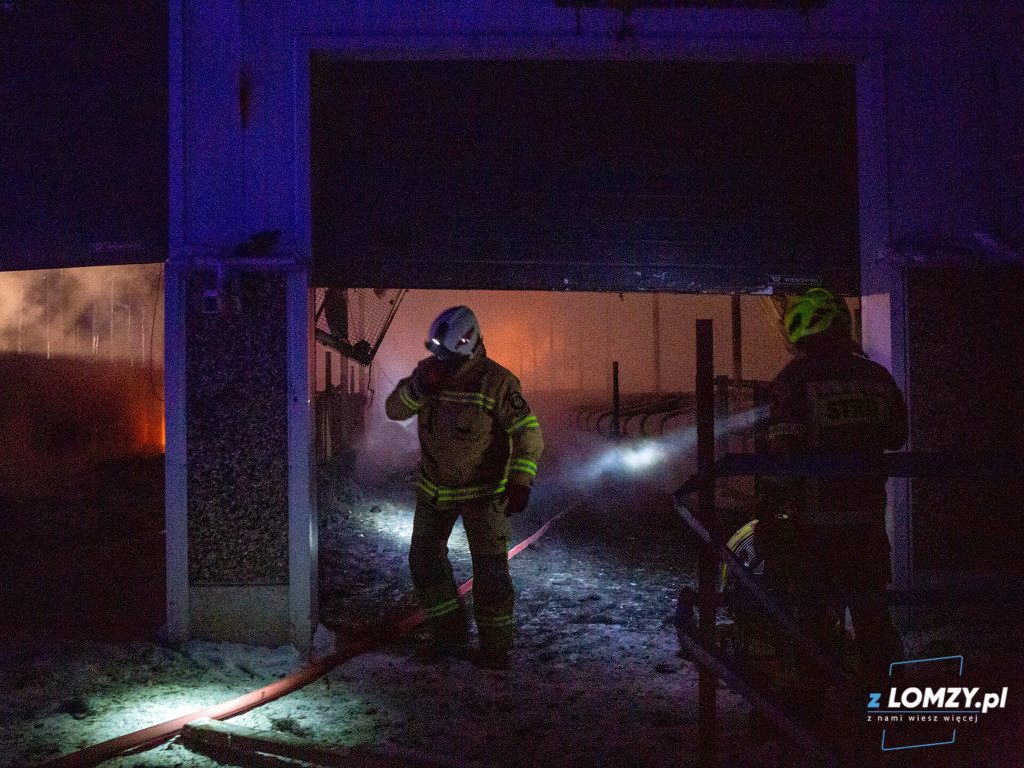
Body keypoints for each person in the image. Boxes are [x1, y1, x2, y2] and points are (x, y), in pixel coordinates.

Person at [762, 287, 907, 696]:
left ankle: (813, 716)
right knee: (873, 623)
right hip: (868, 528)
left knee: (813, 626)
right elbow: (897, 435)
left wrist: (770, 513)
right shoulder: (876, 377)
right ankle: (883, 712)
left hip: (817, 532)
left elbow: (783, 457)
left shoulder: (793, 381)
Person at [385, 306, 543, 669]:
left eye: (447, 355)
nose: (439, 361)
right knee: (423, 561)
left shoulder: (498, 383)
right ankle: (448, 634)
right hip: (434, 490)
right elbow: (395, 410)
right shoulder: (428, 375)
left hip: (483, 495)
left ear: (469, 345)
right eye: (436, 353)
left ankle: (495, 648)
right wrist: (420, 386)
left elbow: (528, 433)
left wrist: (520, 481)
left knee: (489, 572)